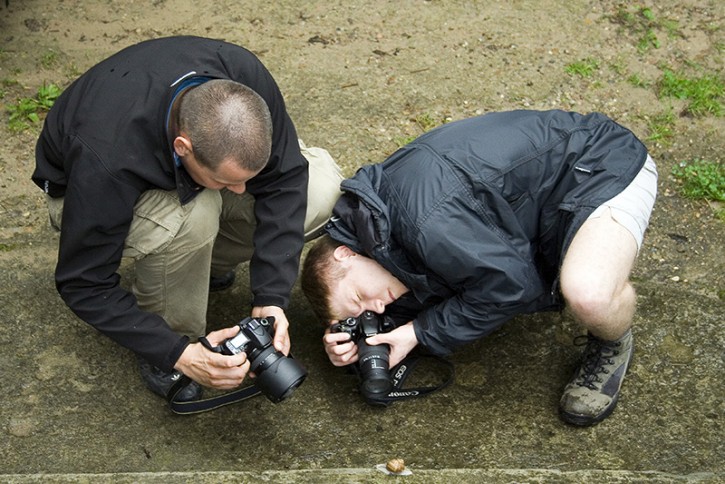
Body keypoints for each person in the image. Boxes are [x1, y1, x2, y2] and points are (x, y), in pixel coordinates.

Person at [33, 36, 343, 402]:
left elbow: (286, 179)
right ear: (183, 147)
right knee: (193, 216)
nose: (243, 191)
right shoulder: (106, 156)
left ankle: (203, 264)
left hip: (170, 156)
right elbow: (83, 283)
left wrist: (271, 295)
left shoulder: (243, 76)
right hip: (84, 192)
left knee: (321, 191)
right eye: (229, 181)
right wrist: (177, 351)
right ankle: (172, 328)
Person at [301, 110, 658, 426]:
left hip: (600, 164)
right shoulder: (377, 234)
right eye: (368, 312)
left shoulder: (425, 223)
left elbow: (512, 288)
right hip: (542, 207)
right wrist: (357, 349)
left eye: (362, 298)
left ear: (345, 254)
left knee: (589, 295)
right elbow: (398, 307)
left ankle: (613, 343)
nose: (379, 308)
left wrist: (415, 334)